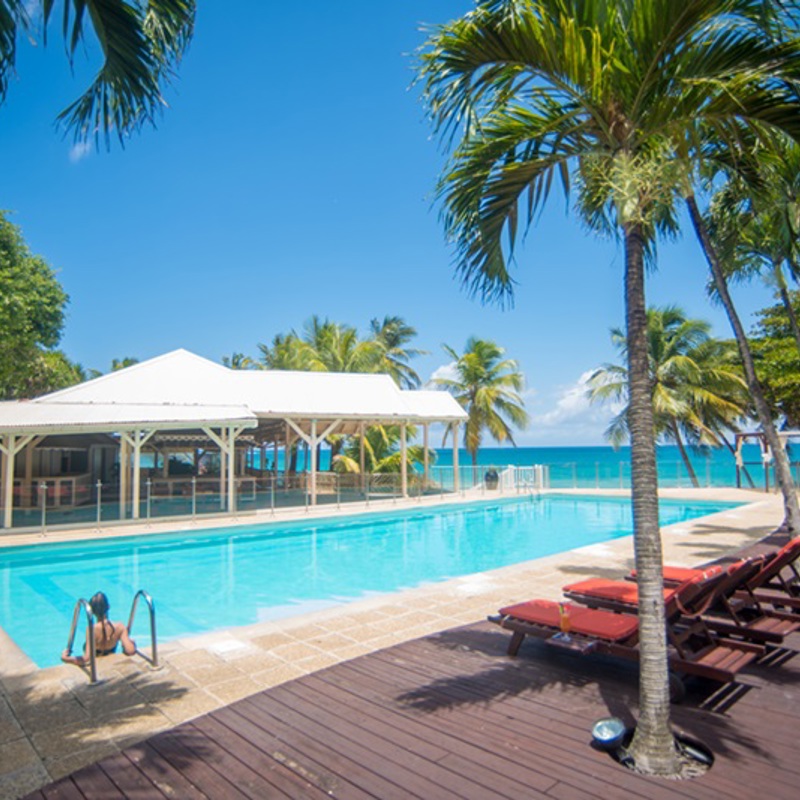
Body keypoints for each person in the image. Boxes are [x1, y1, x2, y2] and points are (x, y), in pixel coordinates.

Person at [61, 591, 136, 666]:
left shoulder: (92, 630)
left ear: (92, 612)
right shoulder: (119, 627)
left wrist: (66, 658)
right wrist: (132, 643)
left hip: (96, 666)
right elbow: (130, 650)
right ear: (108, 606)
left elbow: (86, 658)